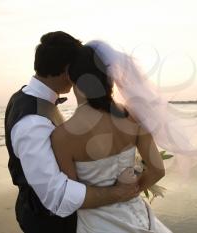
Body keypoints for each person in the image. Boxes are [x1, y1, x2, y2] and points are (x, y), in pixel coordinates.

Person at [4, 32, 140, 233]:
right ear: (68, 70)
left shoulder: (28, 97)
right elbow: (56, 195)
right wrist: (118, 192)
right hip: (49, 224)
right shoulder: (32, 122)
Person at [51, 43, 173, 232]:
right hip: (138, 218)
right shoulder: (133, 116)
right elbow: (157, 171)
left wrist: (116, 194)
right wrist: (130, 191)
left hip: (96, 225)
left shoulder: (62, 136)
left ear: (71, 77)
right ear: (111, 77)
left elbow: (74, 197)